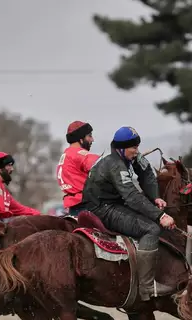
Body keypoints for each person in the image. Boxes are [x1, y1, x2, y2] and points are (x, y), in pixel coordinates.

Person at [82, 126, 176, 301]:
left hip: (116, 202)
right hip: (101, 208)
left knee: (149, 215)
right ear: (121, 148)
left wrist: (155, 197)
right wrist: (160, 216)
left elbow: (147, 174)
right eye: (133, 148)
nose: (137, 151)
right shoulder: (114, 164)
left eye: (137, 147)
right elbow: (132, 196)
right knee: (151, 229)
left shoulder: (131, 154)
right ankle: (146, 287)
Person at [56, 121, 101, 216]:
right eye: (89, 136)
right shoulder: (81, 155)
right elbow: (107, 168)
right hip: (88, 206)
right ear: (81, 139)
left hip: (73, 208)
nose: (92, 139)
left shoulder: (66, 155)